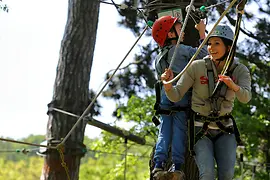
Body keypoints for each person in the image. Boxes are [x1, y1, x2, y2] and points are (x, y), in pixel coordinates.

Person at [161, 24, 252, 179]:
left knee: (227, 174)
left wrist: (233, 86)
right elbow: (176, 95)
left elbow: (246, 98)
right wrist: (168, 84)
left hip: (225, 128)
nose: (211, 47)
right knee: (207, 173)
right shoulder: (197, 67)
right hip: (200, 129)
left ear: (229, 47)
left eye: (217, 43)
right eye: (209, 43)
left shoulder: (239, 70)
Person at [151, 15, 208, 179]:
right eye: (179, 27)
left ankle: (159, 164)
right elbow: (203, 55)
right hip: (180, 98)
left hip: (164, 100)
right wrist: (202, 33)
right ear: (170, 34)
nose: (183, 31)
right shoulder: (180, 50)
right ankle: (177, 165)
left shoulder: (159, 57)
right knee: (179, 132)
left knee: (164, 132)